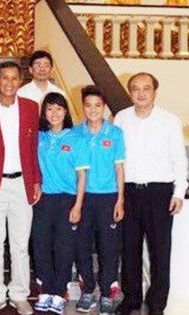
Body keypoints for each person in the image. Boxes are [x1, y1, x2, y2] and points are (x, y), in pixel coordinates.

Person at [114, 72, 188, 315]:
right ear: (130, 92)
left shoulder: (170, 121)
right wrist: (118, 196)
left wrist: (179, 192)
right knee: (129, 249)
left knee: (160, 251)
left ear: (154, 91)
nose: (141, 93)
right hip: (130, 192)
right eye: (135, 88)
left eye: (146, 88)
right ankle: (131, 298)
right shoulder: (121, 119)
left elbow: (179, 159)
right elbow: (117, 159)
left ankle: (157, 303)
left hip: (159, 193)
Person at [0, 61, 40, 315]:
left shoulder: (31, 108)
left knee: (21, 243)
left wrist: (36, 180)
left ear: (21, 81)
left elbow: (33, 147)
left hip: (22, 183)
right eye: (5, 78)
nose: (10, 83)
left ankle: (20, 294)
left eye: (15, 78)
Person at [32, 92, 88, 315]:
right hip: (43, 199)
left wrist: (78, 205)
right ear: (44, 113)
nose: (54, 113)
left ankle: (58, 293)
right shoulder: (39, 137)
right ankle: (46, 289)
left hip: (67, 199)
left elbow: (82, 176)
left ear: (66, 111)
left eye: (58, 109)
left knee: (64, 248)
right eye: (49, 109)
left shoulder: (76, 139)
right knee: (41, 245)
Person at [73, 85, 125, 315]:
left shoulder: (115, 134)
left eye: (97, 105)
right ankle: (87, 291)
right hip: (83, 198)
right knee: (82, 245)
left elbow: (119, 169)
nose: (92, 110)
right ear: (82, 106)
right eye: (88, 105)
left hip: (108, 198)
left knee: (109, 247)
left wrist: (120, 200)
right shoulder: (75, 133)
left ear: (103, 107)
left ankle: (106, 293)